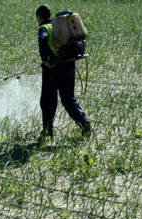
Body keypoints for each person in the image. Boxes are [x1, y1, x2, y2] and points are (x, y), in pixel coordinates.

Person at [36, 4, 91, 141]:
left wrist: (45, 60)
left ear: (39, 17)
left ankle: (48, 134)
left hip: (53, 70)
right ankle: (84, 122)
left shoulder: (44, 28)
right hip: (69, 65)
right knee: (68, 99)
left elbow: (43, 40)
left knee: (48, 101)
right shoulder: (60, 25)